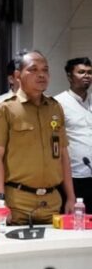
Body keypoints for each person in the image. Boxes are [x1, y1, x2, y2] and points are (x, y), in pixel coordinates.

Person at [0, 50, 76, 224]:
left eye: (45, 70)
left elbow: (63, 155)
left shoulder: (55, 108)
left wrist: (71, 197)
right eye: (33, 69)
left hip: (52, 202)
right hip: (17, 202)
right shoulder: (4, 109)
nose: (41, 75)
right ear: (17, 75)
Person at [55, 57, 92, 213]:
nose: (87, 76)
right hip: (73, 176)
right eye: (81, 72)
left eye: (89, 72)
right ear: (70, 76)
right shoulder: (58, 103)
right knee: (76, 221)